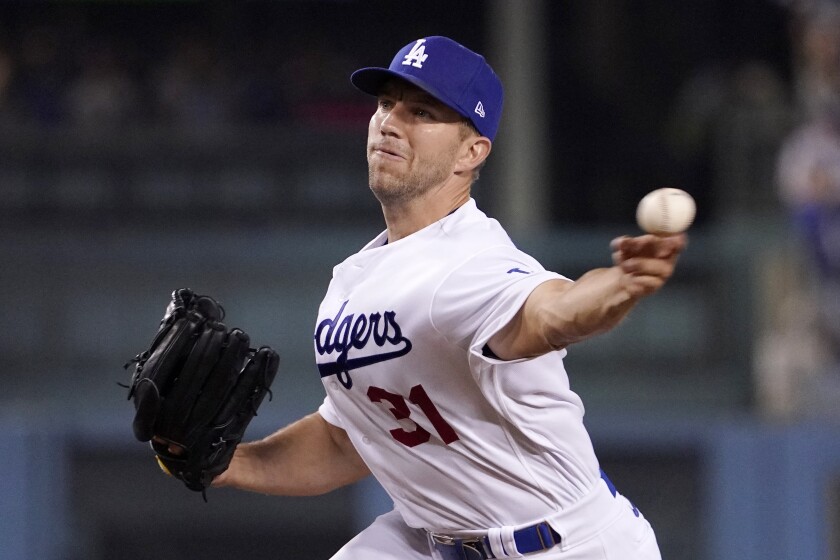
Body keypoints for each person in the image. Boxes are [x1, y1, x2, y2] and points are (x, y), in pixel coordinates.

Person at [214, 36, 685, 560]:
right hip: (434, 539)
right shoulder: (353, 282)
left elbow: (553, 312)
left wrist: (621, 284)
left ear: (472, 151)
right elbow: (347, 441)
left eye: (421, 112)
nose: (390, 121)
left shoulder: (469, 266)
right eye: (386, 103)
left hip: (563, 546)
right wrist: (229, 462)